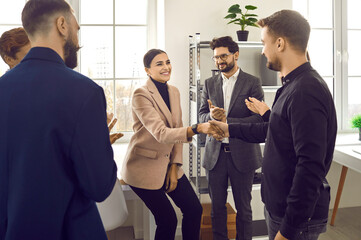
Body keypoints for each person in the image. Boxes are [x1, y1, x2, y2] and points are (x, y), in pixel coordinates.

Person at [209, 10, 337, 240]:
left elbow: (310, 168)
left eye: (263, 42)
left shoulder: (305, 91)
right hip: (280, 208)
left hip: (294, 221)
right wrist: (230, 128)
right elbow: (273, 130)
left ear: (280, 43)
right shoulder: (291, 86)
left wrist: (288, 231)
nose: (262, 50)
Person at [0, 0, 119, 239]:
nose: (77, 35)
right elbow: (99, 187)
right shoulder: (85, 92)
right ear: (62, 25)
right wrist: (98, 142)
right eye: (76, 27)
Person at [121, 49, 221, 240]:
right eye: (159, 64)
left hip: (168, 163)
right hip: (143, 166)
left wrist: (175, 166)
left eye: (168, 62)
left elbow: (177, 128)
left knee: (193, 210)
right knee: (167, 220)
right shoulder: (140, 95)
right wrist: (198, 128)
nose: (166, 67)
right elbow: (161, 133)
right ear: (147, 70)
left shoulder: (173, 91)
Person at [198, 36, 264, 240]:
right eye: (216, 58)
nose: (219, 61)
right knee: (217, 210)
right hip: (215, 156)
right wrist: (211, 116)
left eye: (223, 56)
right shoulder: (209, 83)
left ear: (236, 54)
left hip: (243, 155)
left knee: (244, 210)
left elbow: (258, 119)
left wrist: (228, 121)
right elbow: (200, 115)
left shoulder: (252, 82)